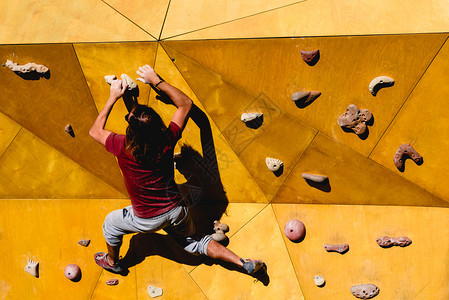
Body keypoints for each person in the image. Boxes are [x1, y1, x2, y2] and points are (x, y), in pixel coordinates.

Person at [89, 64, 264, 275]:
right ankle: (242, 262)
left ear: (130, 130)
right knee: (196, 242)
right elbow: (185, 104)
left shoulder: (122, 146)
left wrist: (113, 97)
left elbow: (95, 131)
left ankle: (112, 261)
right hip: (176, 211)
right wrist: (156, 80)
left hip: (146, 218)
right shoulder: (166, 139)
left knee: (110, 224)